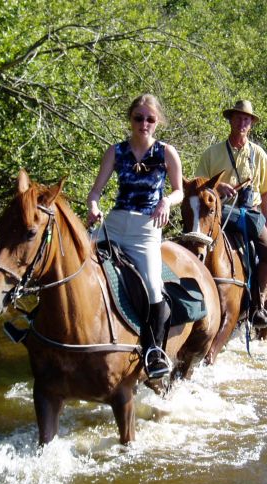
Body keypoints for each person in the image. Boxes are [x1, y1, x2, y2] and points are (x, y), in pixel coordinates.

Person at [86, 94, 184, 379]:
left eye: (150, 119)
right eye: (138, 118)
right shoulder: (115, 151)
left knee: (154, 287)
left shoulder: (166, 152)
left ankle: (154, 350)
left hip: (146, 230)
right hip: (114, 223)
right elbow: (95, 192)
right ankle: (37, 323)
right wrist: (93, 208)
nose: (144, 123)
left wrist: (166, 202)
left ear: (158, 122)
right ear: (130, 119)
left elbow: (179, 190)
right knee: (72, 260)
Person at [194, 100, 267, 329]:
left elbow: (266, 190)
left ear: (251, 124)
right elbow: (199, 187)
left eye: (247, 119)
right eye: (238, 118)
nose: (242, 122)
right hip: (219, 213)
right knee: (194, 245)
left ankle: (258, 304)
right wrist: (217, 189)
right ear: (230, 120)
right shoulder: (212, 153)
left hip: (250, 214)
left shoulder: (258, 154)